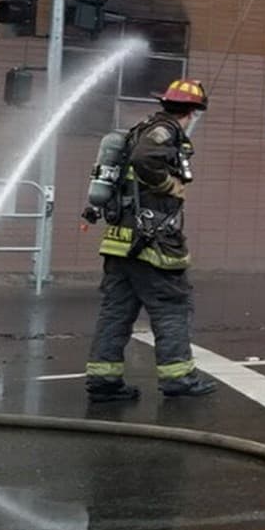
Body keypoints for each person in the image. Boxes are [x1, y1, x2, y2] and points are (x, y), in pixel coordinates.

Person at [85, 79, 216, 401]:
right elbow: (146, 160)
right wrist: (169, 186)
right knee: (172, 307)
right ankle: (179, 379)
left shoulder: (139, 129)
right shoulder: (164, 132)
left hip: (119, 241)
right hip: (151, 243)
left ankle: (104, 381)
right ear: (193, 111)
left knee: (116, 311)